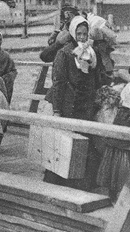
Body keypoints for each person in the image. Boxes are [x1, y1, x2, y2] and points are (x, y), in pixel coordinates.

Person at [43, 15, 102, 190]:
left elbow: (94, 79)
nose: (82, 38)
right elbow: (58, 83)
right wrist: (57, 110)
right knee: (64, 144)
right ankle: (56, 182)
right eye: (79, 34)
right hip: (68, 104)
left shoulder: (91, 53)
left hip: (85, 105)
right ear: (72, 34)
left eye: (85, 34)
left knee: (84, 144)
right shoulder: (65, 53)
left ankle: (81, 183)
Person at [96, 82, 130, 202]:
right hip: (122, 150)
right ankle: (116, 199)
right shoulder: (125, 113)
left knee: (123, 177)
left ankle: (121, 198)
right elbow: (120, 135)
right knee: (119, 176)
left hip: (129, 148)